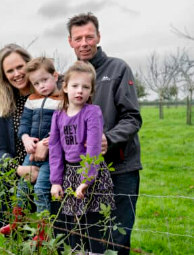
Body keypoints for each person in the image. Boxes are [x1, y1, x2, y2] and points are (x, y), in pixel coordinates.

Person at [65, 13, 143, 254]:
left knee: (117, 236)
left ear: (98, 37)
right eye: (78, 38)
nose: (84, 43)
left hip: (119, 167)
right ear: (70, 42)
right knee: (92, 237)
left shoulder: (118, 69)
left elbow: (132, 117)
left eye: (89, 36)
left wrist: (108, 139)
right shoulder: (70, 76)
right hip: (85, 171)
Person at [49, 61, 115, 254]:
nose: (80, 91)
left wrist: (86, 180)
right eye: (75, 86)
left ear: (91, 90)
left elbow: (94, 147)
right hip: (69, 173)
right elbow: (54, 148)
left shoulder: (92, 112)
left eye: (85, 87)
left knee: (92, 224)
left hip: (91, 172)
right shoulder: (58, 115)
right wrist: (56, 181)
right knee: (73, 224)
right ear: (65, 87)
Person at [0, 57, 62, 242]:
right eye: (36, 83)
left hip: (52, 156)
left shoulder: (62, 100)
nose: (41, 86)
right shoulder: (32, 100)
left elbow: (65, 126)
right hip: (31, 152)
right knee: (22, 188)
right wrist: (25, 138)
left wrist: (49, 141)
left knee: (42, 190)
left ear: (55, 76)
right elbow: (24, 124)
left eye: (44, 80)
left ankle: (43, 232)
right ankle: (17, 222)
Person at [0, 44, 40, 232]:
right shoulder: (3, 106)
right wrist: (20, 169)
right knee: (18, 240)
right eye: (10, 71)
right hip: (16, 182)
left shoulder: (50, 95)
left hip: (49, 179)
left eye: (20, 67)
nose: (16, 73)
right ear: (3, 76)